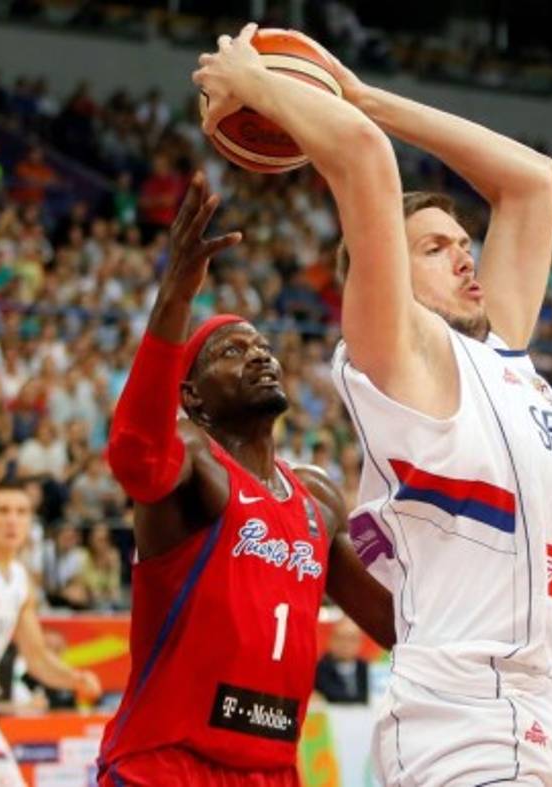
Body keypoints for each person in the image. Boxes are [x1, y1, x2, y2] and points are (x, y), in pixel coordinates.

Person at [197, 24, 552, 784]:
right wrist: (263, 81)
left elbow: (533, 180)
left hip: (535, 717)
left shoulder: (498, 352)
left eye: (463, 240)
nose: (465, 252)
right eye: (436, 247)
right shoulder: (398, 352)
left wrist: (364, 92)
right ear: (385, 275)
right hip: (463, 719)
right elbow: (365, 162)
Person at [95, 174, 393, 785]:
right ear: (192, 398)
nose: (259, 354)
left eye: (261, 345)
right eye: (230, 351)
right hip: (168, 764)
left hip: (272, 770)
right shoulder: (192, 460)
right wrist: (175, 297)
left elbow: (396, 628)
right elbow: (134, 456)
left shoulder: (318, 496)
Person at [0, 480, 103, 785]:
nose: (12, 519)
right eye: (3, 510)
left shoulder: (20, 581)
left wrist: (75, 679)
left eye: (21, 512)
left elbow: (36, 657)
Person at [314, 618, 368, 704]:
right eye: (340, 638)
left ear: (360, 642)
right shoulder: (316, 671)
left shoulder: (368, 670)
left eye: (351, 639)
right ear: (331, 640)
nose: (345, 644)